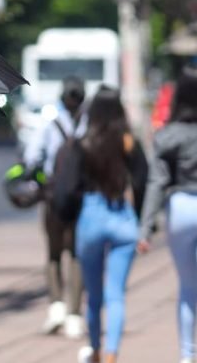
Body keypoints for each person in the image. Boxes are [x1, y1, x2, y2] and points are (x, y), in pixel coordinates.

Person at [53, 86, 148, 363]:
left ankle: (94, 347)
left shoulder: (82, 144)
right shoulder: (129, 142)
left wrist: (68, 218)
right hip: (122, 215)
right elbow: (142, 181)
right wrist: (141, 218)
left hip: (91, 216)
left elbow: (66, 190)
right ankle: (112, 353)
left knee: (93, 294)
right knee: (116, 293)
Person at [138, 68, 197, 363]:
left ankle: (187, 355)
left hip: (182, 207)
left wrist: (145, 229)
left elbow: (157, 183)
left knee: (188, 286)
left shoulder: (168, 136)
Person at [23, 76, 88, 338]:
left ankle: (56, 306)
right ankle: (74, 313)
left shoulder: (49, 126)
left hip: (53, 199)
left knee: (53, 253)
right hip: (82, 200)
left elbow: (31, 159)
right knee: (76, 254)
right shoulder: (90, 126)